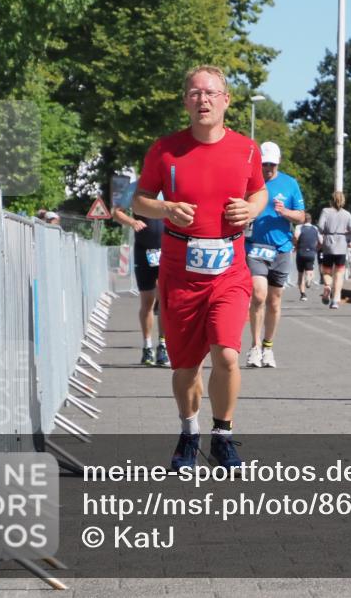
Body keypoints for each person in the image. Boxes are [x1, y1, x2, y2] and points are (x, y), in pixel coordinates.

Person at [132, 65, 268, 471]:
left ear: (226, 100)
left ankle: (222, 436)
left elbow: (259, 191)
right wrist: (166, 208)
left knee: (227, 354)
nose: (202, 100)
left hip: (229, 269)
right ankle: (189, 433)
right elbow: (139, 200)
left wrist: (252, 209)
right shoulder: (165, 150)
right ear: (185, 102)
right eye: (194, 93)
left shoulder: (246, 149)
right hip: (180, 272)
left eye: (210, 93)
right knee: (186, 366)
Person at [245, 142, 305, 369]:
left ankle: (268, 347)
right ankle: (254, 347)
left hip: (281, 248)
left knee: (274, 300)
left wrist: (284, 212)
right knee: (258, 295)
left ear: (278, 163)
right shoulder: (249, 182)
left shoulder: (290, 184)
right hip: (255, 247)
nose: (268, 168)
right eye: (264, 164)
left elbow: (301, 216)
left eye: (271, 164)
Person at [112, 181, 168, 367]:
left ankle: (163, 346)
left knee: (164, 299)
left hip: (166, 249)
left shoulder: (169, 185)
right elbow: (116, 212)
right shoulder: (135, 187)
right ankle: (147, 346)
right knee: (147, 301)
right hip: (144, 249)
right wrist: (132, 221)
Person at [317, 191, 351, 309]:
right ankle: (335, 299)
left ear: (331, 200)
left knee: (327, 271)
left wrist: (326, 231)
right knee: (339, 273)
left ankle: (327, 286)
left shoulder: (325, 211)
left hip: (328, 244)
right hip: (341, 245)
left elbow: (320, 226)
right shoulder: (347, 214)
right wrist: (348, 237)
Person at [294, 212, 320, 300]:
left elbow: (296, 237)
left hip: (301, 252)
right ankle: (309, 279)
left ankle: (303, 294)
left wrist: (295, 245)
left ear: (303, 220)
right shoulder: (315, 228)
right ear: (310, 220)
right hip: (311, 252)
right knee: (309, 270)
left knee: (300, 274)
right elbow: (321, 240)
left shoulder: (299, 227)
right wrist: (317, 248)